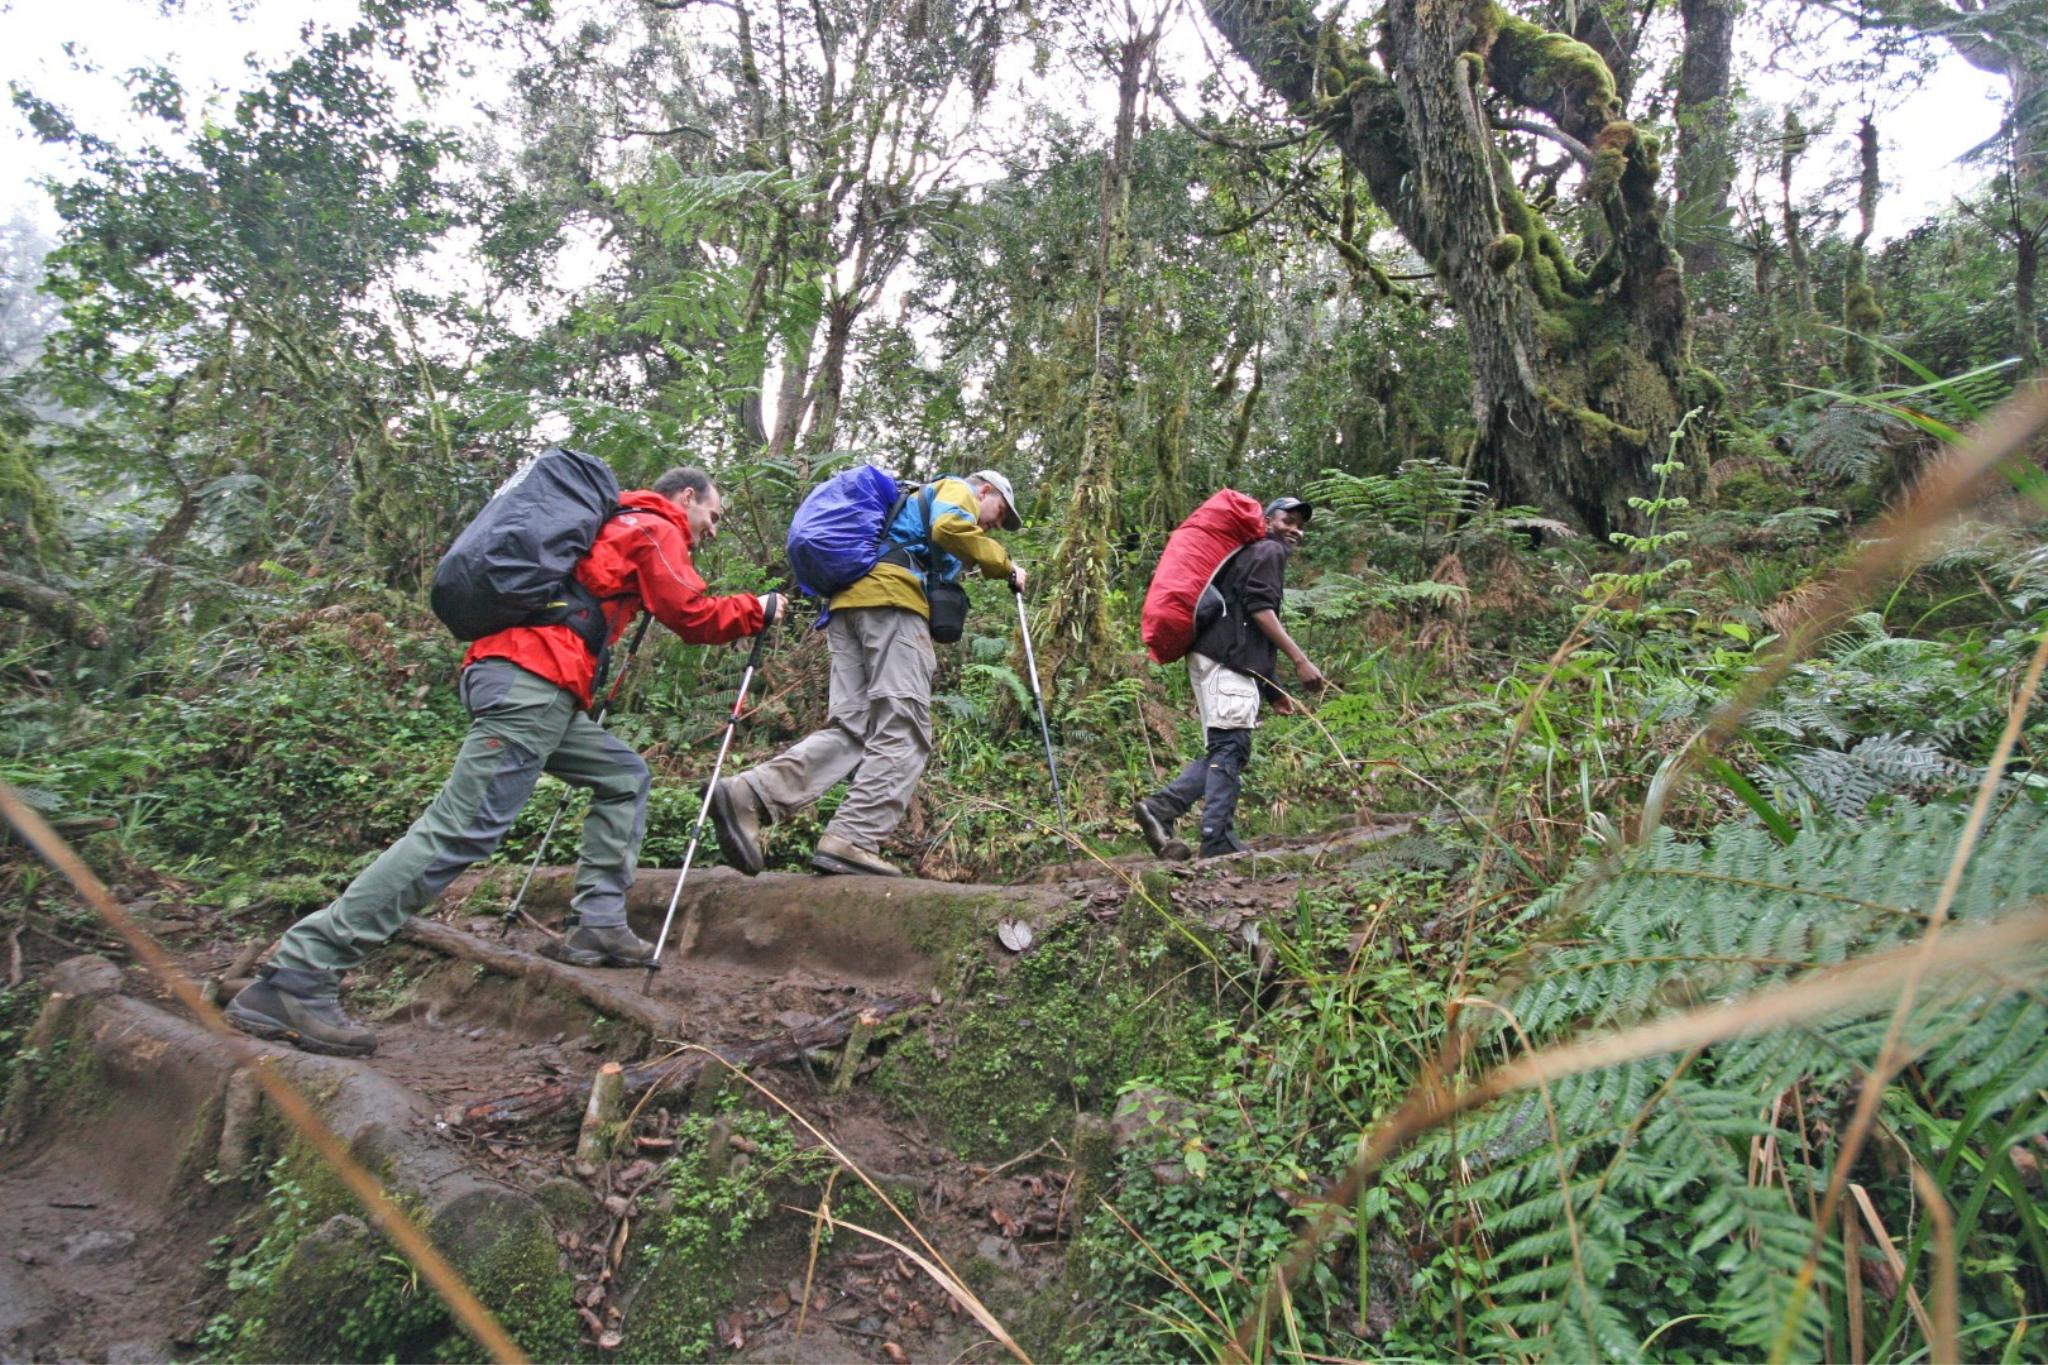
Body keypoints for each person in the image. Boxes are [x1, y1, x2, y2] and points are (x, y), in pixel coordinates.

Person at [226, 467, 783, 1057]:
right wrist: (757, 608)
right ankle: (301, 972)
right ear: (687, 497)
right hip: (531, 682)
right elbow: (691, 611)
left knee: (623, 776)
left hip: (528, 680)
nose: (711, 530)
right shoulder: (653, 524)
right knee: (460, 830)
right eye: (713, 517)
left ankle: (596, 923)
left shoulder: (611, 523)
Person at [710, 470, 1024, 878]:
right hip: (891, 604)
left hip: (849, 606)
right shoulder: (958, 490)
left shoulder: (918, 504)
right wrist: (1004, 564)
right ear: (985, 490)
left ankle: (748, 795)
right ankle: (854, 838)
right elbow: (950, 528)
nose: (995, 523)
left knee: (851, 729)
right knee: (905, 727)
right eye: (1000, 511)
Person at [1133, 496, 1324, 860]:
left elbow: (1244, 627)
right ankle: (1215, 837)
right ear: (1267, 521)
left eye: (1301, 525)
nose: (1295, 530)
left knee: (1227, 748)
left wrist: (1272, 690)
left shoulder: (1245, 555)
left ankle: (1162, 809)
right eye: (1288, 520)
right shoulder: (1269, 551)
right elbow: (1260, 611)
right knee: (1230, 747)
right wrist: (1300, 660)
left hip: (1213, 659)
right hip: (1224, 665)